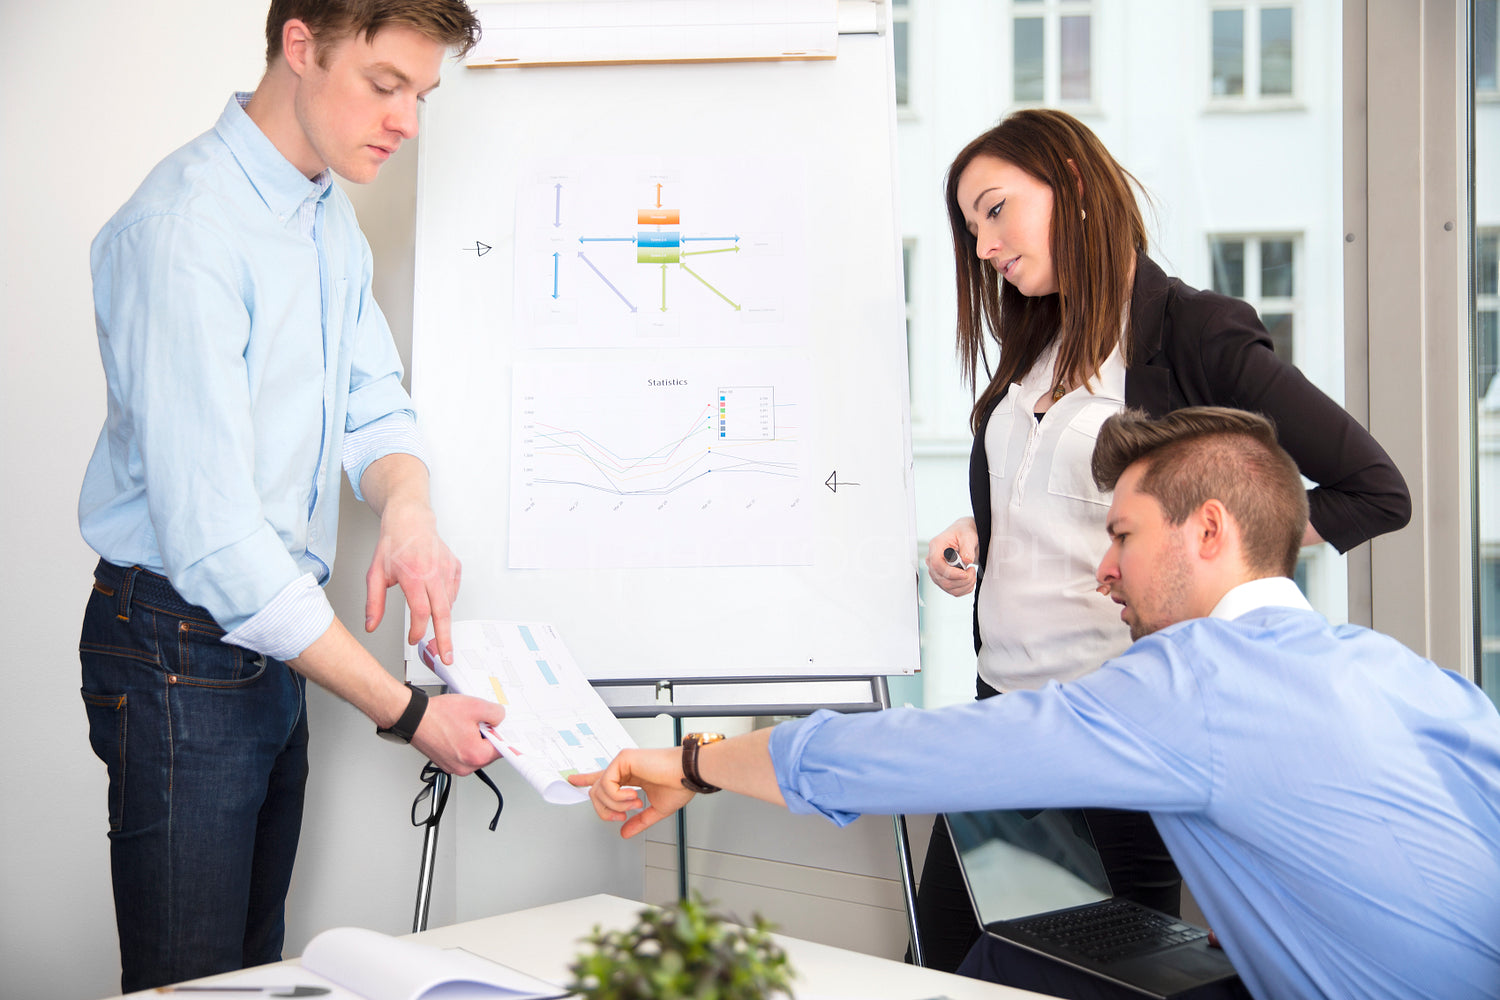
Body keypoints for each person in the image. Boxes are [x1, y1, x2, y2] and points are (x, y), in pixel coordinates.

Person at [569, 407, 1500, 1000]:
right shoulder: (1412, 676)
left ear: (1209, 530)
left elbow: (916, 755)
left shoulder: (1192, 681)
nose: (1105, 571)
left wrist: (694, 762)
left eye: (1124, 535)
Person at [916, 108, 1411, 971]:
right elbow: (1058, 496)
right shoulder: (1033, 342)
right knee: (940, 968)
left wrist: (1206, 564)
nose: (984, 243)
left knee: (1100, 978)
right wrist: (986, 534)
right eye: (970, 226)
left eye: (995, 209)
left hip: (1123, 725)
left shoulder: (1193, 331)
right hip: (1005, 719)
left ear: (1070, 182)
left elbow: (1374, 491)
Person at [77, 1, 503, 992]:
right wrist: (408, 713)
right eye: (385, 85)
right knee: (196, 983)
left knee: (254, 971)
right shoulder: (186, 231)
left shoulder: (321, 211)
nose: (405, 121)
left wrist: (408, 514)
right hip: (180, 646)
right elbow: (220, 546)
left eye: (421, 95)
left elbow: (373, 403)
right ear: (301, 46)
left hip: (270, 638)